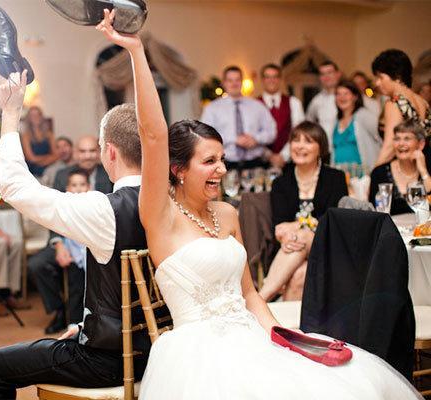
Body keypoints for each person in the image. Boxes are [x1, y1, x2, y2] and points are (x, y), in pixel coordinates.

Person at [97, 10, 421, 400]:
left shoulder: (228, 213)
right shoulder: (160, 216)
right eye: (210, 161)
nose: (222, 169)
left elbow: (249, 294)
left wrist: (282, 338)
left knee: (346, 384)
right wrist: (136, 52)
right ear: (178, 169)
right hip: (201, 355)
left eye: (222, 159)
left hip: (252, 335)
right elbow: (153, 134)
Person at [0, 71, 153, 397]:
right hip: (158, 350)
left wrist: (11, 113)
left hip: (107, 359)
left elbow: (15, 187)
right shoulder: (172, 203)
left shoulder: (104, 211)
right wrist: (87, 326)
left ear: (110, 152)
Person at [258, 122, 348, 302]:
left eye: (308, 141)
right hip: (290, 249)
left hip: (327, 248)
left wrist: (298, 227)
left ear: (321, 148)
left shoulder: (335, 178)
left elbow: (331, 222)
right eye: (296, 140)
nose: (300, 146)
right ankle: (271, 310)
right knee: (299, 274)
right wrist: (289, 235)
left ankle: (261, 299)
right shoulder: (281, 183)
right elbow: (280, 226)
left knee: (305, 235)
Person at [33, 167, 90, 331]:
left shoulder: (93, 203)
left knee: (80, 280)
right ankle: (62, 312)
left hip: (87, 249)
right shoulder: (62, 205)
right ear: (67, 188)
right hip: (68, 246)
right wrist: (60, 245)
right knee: (38, 265)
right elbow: (53, 225)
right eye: (74, 185)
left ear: (89, 187)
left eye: (82, 185)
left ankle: (83, 319)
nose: (78, 189)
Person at [201, 65, 276, 171]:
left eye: (237, 80)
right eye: (230, 80)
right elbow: (205, 136)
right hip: (224, 165)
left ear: (242, 82)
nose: (234, 84)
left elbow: (272, 131)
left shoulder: (258, 106)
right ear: (224, 83)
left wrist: (255, 139)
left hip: (256, 164)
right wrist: (234, 139)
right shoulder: (212, 108)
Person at [373, 49, 431, 167]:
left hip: (404, 169)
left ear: (397, 76)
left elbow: (390, 147)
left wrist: (373, 173)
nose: (377, 83)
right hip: (425, 167)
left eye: (380, 77)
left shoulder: (395, 103)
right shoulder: (423, 102)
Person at [369, 120, 431, 215]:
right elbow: (373, 212)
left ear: (420, 144)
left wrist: (423, 171)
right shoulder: (379, 173)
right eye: (397, 139)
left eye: (407, 139)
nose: (401, 144)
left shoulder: (428, 169)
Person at [257, 63, 305, 168]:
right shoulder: (254, 104)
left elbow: (299, 132)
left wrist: (284, 155)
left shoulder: (294, 102)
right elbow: (252, 135)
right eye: (267, 77)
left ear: (280, 79)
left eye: (275, 77)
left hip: (289, 161)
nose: (271, 80)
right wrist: (269, 156)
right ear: (262, 80)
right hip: (261, 162)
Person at [332, 80, 382, 173]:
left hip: (363, 175)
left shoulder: (364, 115)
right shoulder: (336, 120)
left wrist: (377, 167)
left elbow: (381, 137)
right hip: (340, 174)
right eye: (338, 94)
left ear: (355, 97)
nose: (342, 97)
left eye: (346, 93)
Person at [306, 60, 342, 144]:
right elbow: (308, 122)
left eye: (329, 72)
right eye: (322, 74)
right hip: (324, 147)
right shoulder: (316, 100)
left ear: (338, 74)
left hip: (344, 146)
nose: (326, 77)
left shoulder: (349, 97)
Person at [20, 106, 59, 176]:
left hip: (49, 167)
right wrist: (48, 157)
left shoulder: (49, 134)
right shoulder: (26, 136)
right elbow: (31, 158)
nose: (36, 117)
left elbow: (56, 155)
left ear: (41, 117)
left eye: (38, 114)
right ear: (29, 118)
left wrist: (45, 162)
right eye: (33, 115)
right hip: (32, 170)